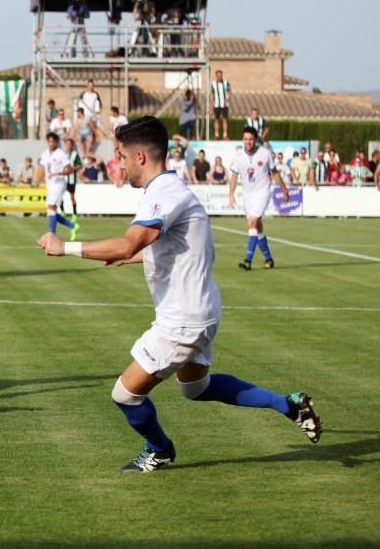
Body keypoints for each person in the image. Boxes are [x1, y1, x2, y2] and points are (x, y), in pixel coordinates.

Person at [36, 115, 321, 472]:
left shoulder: (164, 192)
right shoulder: (168, 191)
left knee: (125, 395)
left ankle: (159, 449)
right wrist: (136, 257)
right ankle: (288, 405)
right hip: (200, 309)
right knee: (196, 389)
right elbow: (175, 245)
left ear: (140, 157)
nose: (119, 165)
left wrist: (66, 248)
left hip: (183, 319)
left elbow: (127, 243)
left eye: (122, 156)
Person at [229, 127, 289, 270]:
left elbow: (274, 173)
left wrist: (284, 189)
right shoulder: (238, 156)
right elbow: (234, 176)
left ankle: (247, 260)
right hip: (247, 194)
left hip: (262, 192)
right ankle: (269, 259)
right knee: (257, 227)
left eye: (250, 139)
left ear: (255, 140)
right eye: (245, 139)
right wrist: (231, 194)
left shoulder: (265, 153)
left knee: (253, 222)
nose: (248, 142)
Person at [38, 132, 78, 241]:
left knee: (51, 207)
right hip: (49, 184)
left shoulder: (61, 154)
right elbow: (42, 168)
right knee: (51, 211)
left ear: (56, 142)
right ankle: (72, 225)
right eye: (49, 141)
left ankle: (52, 235)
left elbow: (69, 169)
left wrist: (59, 173)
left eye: (53, 141)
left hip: (59, 184)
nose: (51, 143)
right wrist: (38, 179)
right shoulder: (45, 154)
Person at [63, 138, 83, 215]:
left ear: (72, 145)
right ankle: (62, 211)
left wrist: (72, 168)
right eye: (67, 144)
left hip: (71, 179)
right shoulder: (62, 154)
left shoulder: (75, 155)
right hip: (63, 179)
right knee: (60, 196)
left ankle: (74, 213)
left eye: (69, 144)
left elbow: (80, 165)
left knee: (72, 197)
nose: (68, 146)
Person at [210, 70, 231, 140]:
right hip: (217, 104)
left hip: (224, 104)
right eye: (218, 75)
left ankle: (225, 135)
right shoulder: (213, 84)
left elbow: (229, 91)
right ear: (216, 76)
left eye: (221, 75)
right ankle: (216, 135)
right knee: (216, 119)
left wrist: (227, 99)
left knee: (225, 119)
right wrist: (212, 103)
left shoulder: (226, 82)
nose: (219, 77)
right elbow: (212, 94)